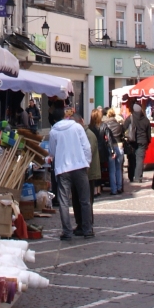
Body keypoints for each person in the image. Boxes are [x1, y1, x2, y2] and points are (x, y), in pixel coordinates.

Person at [47, 103, 93, 240]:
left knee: (64, 202)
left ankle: (67, 232)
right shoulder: (77, 127)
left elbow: (52, 152)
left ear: (54, 120)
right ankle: (87, 229)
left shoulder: (53, 132)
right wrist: (87, 162)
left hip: (63, 169)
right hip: (79, 166)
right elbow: (86, 146)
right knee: (84, 199)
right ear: (64, 116)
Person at [104, 107, 125, 195]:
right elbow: (123, 135)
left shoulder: (106, 124)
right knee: (118, 168)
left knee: (112, 169)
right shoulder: (119, 124)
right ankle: (119, 187)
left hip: (111, 147)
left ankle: (114, 189)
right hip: (119, 146)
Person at [129, 102, 152, 183]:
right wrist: (148, 141)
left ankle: (131, 176)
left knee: (132, 159)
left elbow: (123, 127)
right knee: (140, 159)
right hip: (142, 141)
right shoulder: (146, 120)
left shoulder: (130, 118)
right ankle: (138, 177)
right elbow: (148, 133)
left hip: (132, 141)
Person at [87, 110, 103, 199]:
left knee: (93, 170)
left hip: (93, 150)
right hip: (100, 150)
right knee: (97, 169)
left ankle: (94, 189)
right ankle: (98, 189)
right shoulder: (102, 126)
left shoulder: (90, 128)